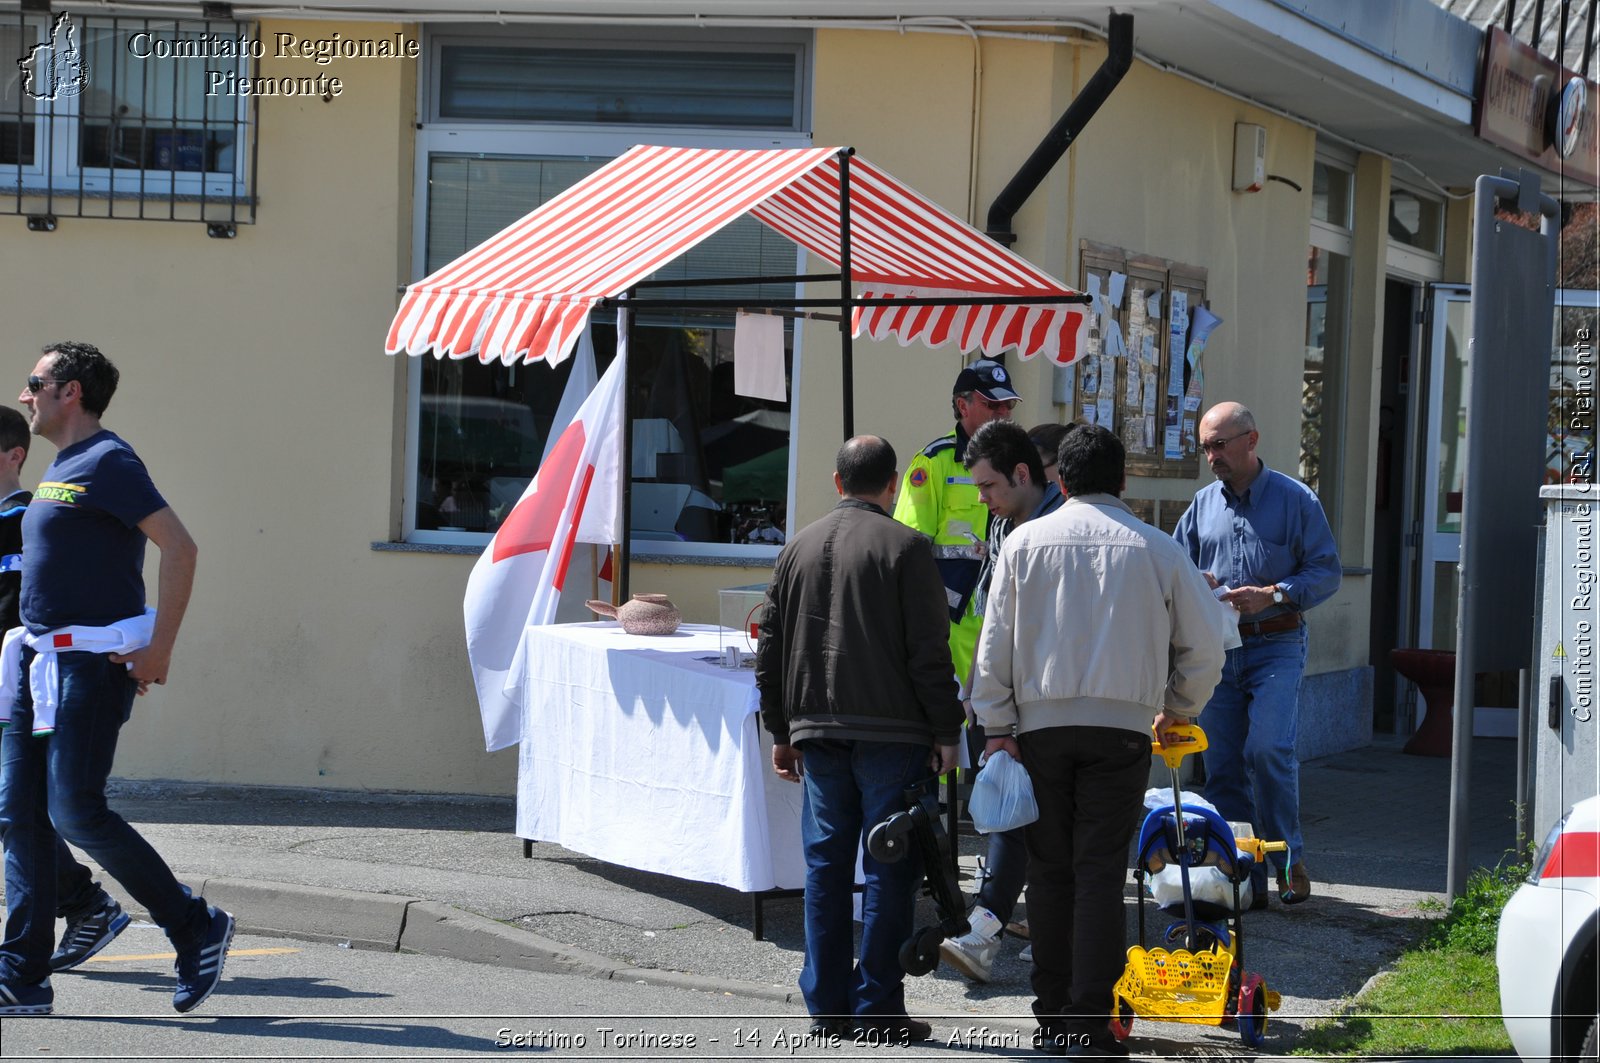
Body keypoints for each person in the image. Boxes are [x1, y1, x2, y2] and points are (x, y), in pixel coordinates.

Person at [973, 424, 1229, 1056]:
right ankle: (1091, 1019)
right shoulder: (1159, 548)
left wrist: (997, 727)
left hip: (1038, 729)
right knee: (1099, 873)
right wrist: (1176, 707)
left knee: (1049, 872)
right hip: (1122, 729)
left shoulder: (1023, 544)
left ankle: (1052, 1015)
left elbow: (992, 649)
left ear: (1060, 478)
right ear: (1122, 480)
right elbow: (1207, 647)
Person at [0, 342, 233, 1016]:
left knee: (71, 808)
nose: (25, 395)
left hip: (88, 668)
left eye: (35, 382)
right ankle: (22, 974)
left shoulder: (110, 461)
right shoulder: (61, 466)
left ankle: (194, 924)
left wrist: (161, 648)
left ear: (69, 391)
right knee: (20, 815)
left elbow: (181, 548)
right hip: (39, 668)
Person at [755, 435, 963, 1044]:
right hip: (893, 735)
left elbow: (769, 649)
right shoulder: (908, 547)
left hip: (818, 731)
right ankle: (877, 1009)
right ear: (893, 485)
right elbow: (930, 654)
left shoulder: (796, 547)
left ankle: (826, 1003)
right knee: (887, 870)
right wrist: (947, 730)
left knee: (824, 868)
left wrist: (780, 730)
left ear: (838, 481)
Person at [1171, 402, 1341, 908]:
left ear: (1251, 439)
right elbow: (1177, 566)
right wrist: (1196, 582)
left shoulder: (1295, 500)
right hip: (1222, 646)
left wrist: (1277, 593)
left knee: (1267, 750)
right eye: (1205, 446)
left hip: (1277, 642)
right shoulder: (1202, 505)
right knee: (1222, 764)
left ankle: (1287, 860)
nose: (1211, 456)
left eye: (1219, 444)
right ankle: (1238, 872)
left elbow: (1326, 572)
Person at [0, 406, 132, 977]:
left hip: (30, 685)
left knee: (23, 811)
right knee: (14, 812)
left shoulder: (32, 518)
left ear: (13, 457)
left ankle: (83, 908)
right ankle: (84, 904)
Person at [939, 419, 1068, 983]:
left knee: (1019, 824)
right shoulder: (1006, 524)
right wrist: (976, 693)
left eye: (988, 487)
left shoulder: (1061, 526)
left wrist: (996, 711)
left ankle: (994, 937)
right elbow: (991, 620)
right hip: (1004, 705)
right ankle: (997, 936)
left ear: (1023, 474)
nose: (983, 500)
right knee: (1009, 819)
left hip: (1048, 708)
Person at [892, 359, 1019, 683]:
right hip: (951, 618)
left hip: (1008, 610)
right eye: (993, 404)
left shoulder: (1020, 465)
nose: (1003, 412)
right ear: (963, 405)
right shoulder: (934, 462)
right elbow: (910, 546)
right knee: (957, 715)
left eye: (1008, 405)